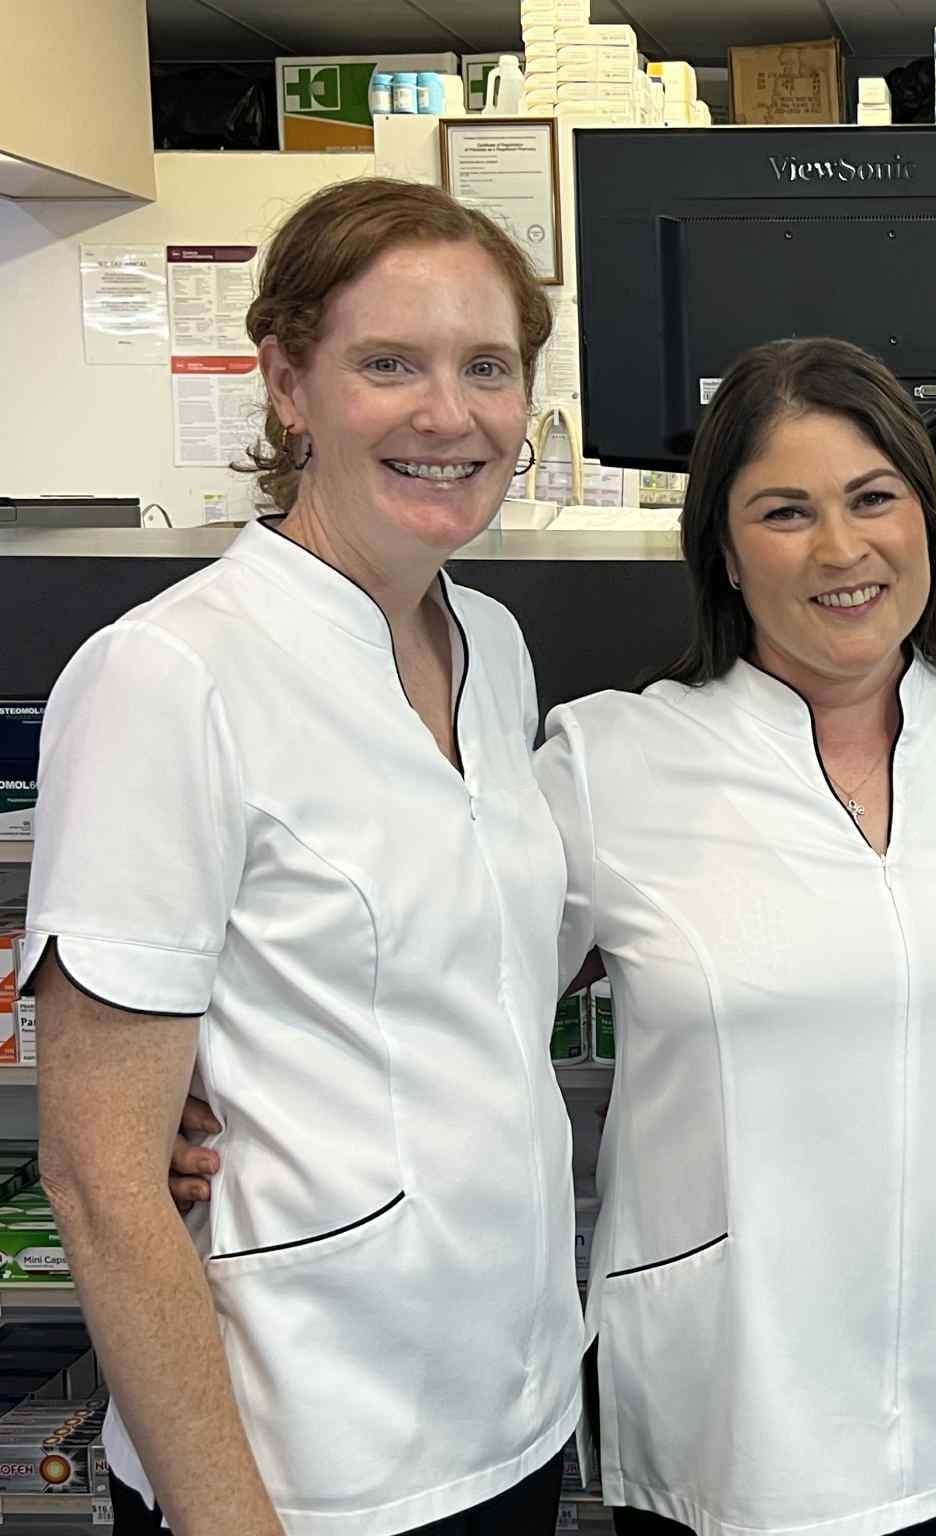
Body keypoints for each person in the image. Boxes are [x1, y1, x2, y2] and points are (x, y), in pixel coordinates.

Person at [29, 178, 584, 1535]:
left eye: (487, 368)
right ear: (286, 381)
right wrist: (227, 1516)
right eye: (387, 363)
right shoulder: (170, 676)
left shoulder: (492, 647)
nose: (448, 415)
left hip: (509, 1405)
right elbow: (104, 1183)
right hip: (302, 1458)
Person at [532, 337, 936, 1535]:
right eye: (785, 511)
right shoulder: (611, 761)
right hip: (734, 1411)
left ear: (928, 521)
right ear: (720, 550)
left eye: (874, 499)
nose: (841, 550)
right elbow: (450, 993)